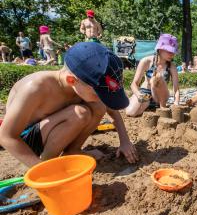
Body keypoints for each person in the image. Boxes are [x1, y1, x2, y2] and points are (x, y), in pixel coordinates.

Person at [0, 42, 137, 167]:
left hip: (52, 129)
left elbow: (113, 112)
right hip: (27, 141)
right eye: (97, 93)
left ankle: (72, 151)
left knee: (98, 106)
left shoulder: (80, 85)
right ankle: (48, 163)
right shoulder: (36, 88)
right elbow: (6, 136)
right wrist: (41, 170)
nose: (99, 97)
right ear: (72, 80)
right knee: (79, 112)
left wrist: (125, 141)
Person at [125, 34, 180, 117]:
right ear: (160, 49)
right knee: (130, 112)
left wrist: (176, 103)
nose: (172, 54)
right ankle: (144, 103)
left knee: (157, 77)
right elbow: (134, 84)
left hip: (161, 96)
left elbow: (176, 89)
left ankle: (160, 106)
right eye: (169, 51)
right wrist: (138, 95)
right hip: (145, 94)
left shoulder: (172, 67)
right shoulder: (146, 61)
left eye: (173, 52)